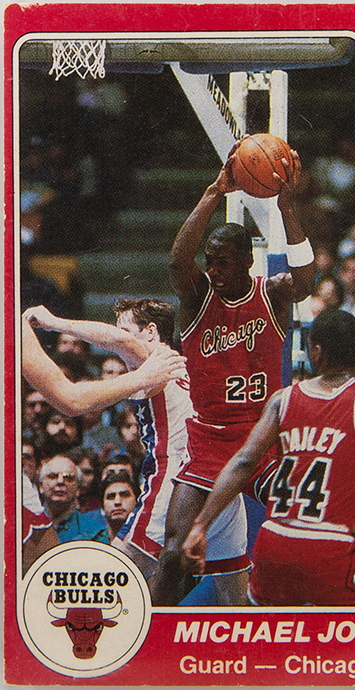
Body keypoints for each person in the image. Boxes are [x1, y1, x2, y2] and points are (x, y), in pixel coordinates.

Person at [183, 309, 355, 606]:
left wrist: (200, 525)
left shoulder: (282, 399)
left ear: (316, 352)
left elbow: (243, 462)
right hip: (329, 545)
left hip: (273, 543)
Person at [153, 141, 315, 605]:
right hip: (209, 440)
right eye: (209, 260)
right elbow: (177, 262)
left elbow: (308, 281)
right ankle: (150, 637)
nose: (211, 269)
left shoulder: (272, 294)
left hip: (263, 439)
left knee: (312, 532)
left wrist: (287, 208)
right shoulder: (197, 298)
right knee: (174, 552)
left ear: (247, 261)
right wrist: (213, 193)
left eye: (221, 260)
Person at [24, 300, 250, 603]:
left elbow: (119, 342)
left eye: (125, 327)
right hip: (219, 482)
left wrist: (55, 322)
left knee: (116, 571)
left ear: (151, 332)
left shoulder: (151, 358)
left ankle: (87, 625)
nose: (117, 334)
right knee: (233, 589)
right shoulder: (185, 363)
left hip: (178, 476)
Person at [22, 312, 186, 416]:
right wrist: (142, 377)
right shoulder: (15, 325)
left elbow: (123, 341)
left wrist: (55, 322)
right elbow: (71, 400)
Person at [38, 455, 108, 544]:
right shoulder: (26, 525)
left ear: (78, 489)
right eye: (53, 476)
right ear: (41, 486)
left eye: (68, 478)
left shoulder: (95, 532)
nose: (60, 481)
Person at [101, 471, 140, 542]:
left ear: (137, 502)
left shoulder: (150, 542)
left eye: (125, 495)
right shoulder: (90, 543)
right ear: (102, 507)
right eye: (111, 497)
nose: (117, 502)